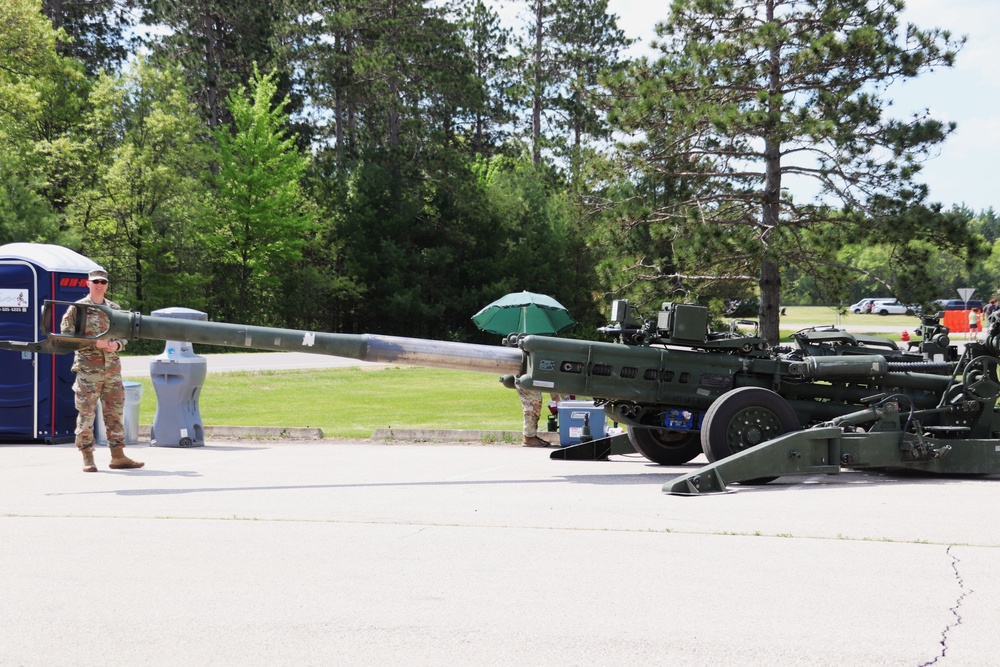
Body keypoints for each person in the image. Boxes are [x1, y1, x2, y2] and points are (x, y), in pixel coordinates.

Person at [60, 268, 144, 472]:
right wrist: (93, 344)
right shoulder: (77, 309)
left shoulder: (114, 308)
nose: (99, 285)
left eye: (103, 282)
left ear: (106, 285)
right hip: (88, 371)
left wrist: (117, 345)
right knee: (86, 414)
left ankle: (118, 456)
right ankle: (87, 457)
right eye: (95, 281)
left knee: (114, 413)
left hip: (112, 371)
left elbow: (126, 334)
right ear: (88, 283)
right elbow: (66, 336)